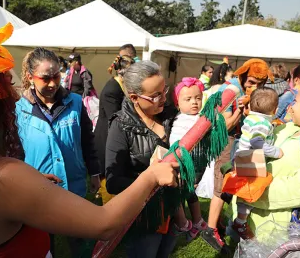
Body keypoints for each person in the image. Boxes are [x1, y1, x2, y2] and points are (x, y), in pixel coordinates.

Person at [0, 6, 180, 258]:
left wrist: (31, 182)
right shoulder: (3, 177)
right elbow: (104, 223)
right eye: (6, 88)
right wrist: (151, 175)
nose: (13, 99)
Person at [17, 48, 101, 255]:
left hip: (74, 184)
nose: (53, 83)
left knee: (79, 239)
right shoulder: (19, 108)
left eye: (56, 76)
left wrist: (95, 172)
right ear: (30, 77)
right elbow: (15, 150)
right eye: (45, 78)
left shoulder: (74, 102)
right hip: (38, 188)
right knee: (43, 242)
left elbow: (86, 141)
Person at [239, 81, 300, 235]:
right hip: (253, 225)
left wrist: (247, 191)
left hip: (281, 234)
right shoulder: (287, 128)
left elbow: (299, 188)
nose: (290, 106)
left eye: (296, 101)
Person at [105, 61, 178, 258]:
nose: (164, 99)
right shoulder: (120, 126)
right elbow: (113, 182)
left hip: (173, 208)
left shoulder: (171, 116)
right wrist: (150, 182)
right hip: (144, 216)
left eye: (165, 91)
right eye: (156, 96)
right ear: (135, 98)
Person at [201, 58, 273, 252]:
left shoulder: (242, 90)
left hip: (237, 142)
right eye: (251, 82)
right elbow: (224, 126)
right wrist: (241, 110)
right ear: (242, 76)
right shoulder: (231, 91)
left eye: (260, 84)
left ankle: (217, 223)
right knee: (221, 185)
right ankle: (210, 229)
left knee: (229, 186)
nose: (254, 86)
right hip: (227, 142)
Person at [230, 87, 283, 239]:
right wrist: (275, 152)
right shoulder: (263, 124)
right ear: (275, 109)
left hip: (242, 158)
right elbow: (257, 141)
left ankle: (239, 218)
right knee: (251, 192)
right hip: (251, 162)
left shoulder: (252, 118)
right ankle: (240, 222)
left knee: (245, 191)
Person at [94, 44, 136, 205]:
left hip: (112, 134)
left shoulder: (120, 86)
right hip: (106, 137)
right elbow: (115, 117)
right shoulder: (112, 89)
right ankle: (108, 211)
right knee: (108, 176)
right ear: (122, 72)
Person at [169, 77, 208, 240]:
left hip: (191, 165)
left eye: (198, 98)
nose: (194, 102)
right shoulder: (177, 118)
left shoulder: (201, 119)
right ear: (178, 103)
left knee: (178, 194)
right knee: (189, 193)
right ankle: (198, 220)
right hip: (180, 163)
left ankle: (184, 224)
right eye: (188, 99)